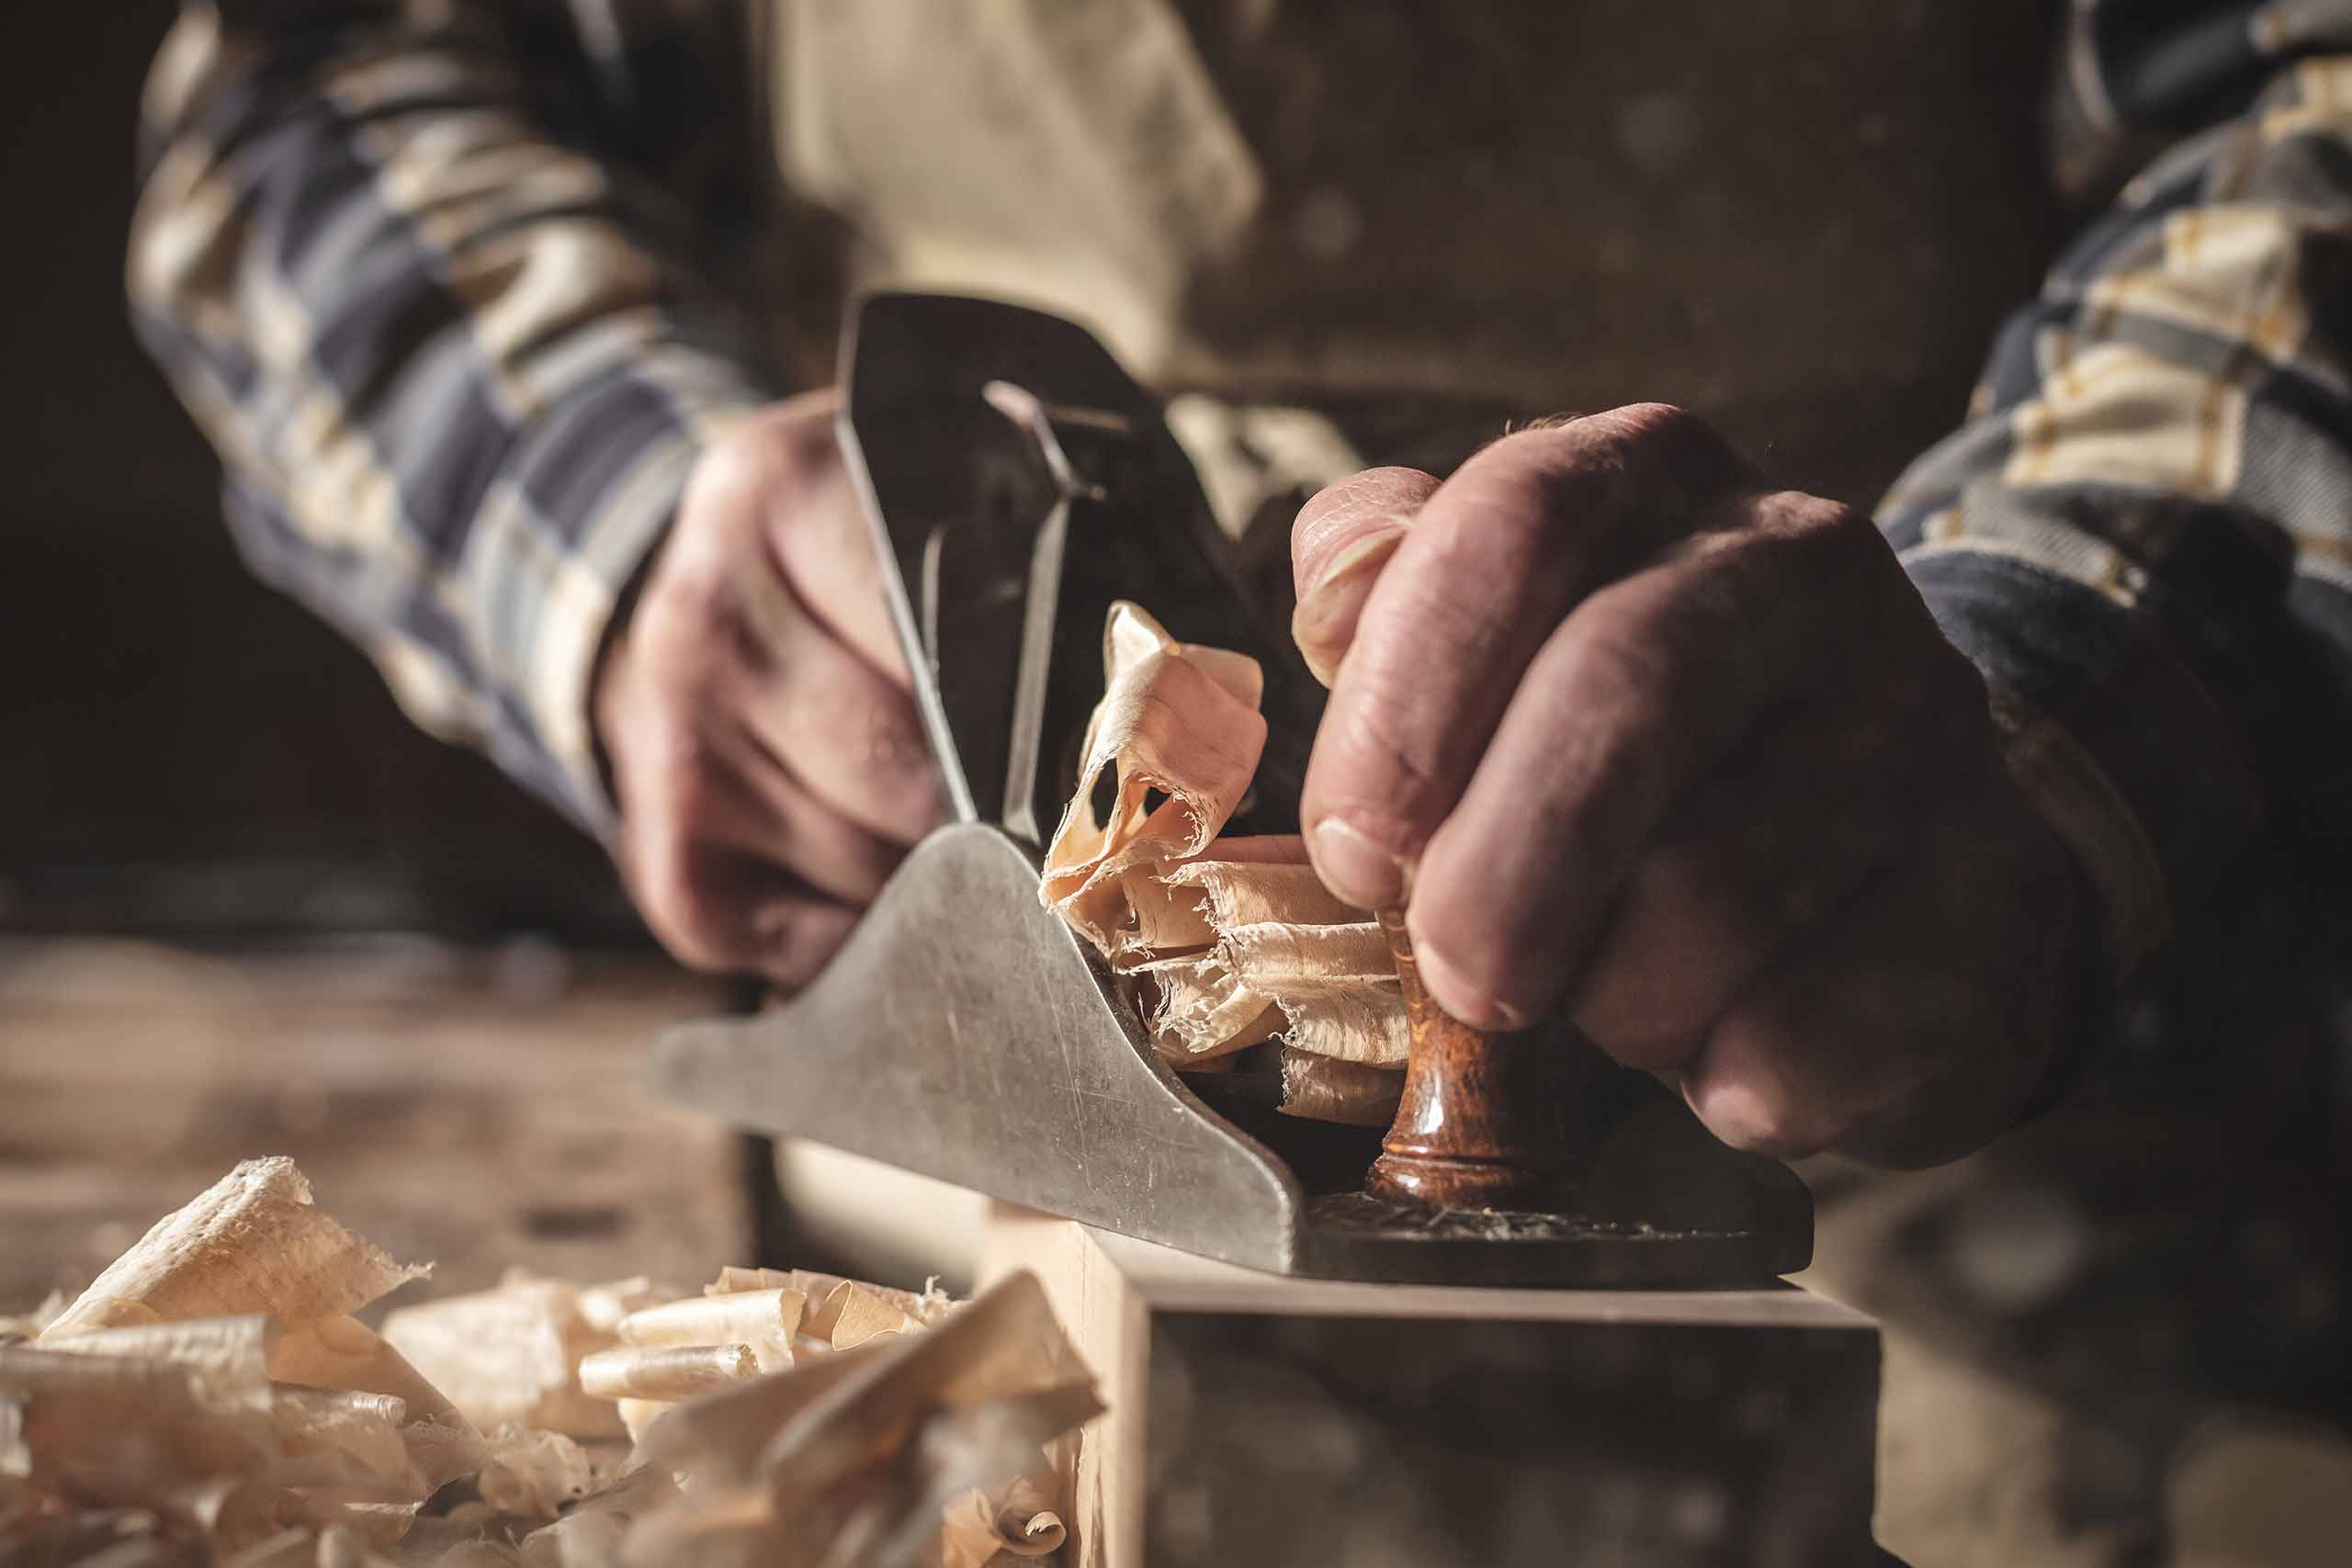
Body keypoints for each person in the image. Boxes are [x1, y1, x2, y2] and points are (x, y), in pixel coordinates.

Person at [130, 3, 2348, 1560]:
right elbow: (325, 81)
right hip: (937, 1311)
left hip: (1933, 1110)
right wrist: (624, 544)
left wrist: (2032, 688)